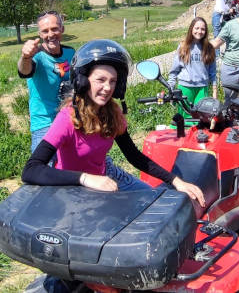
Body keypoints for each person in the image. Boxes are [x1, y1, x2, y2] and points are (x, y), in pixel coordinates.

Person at [21, 39, 206, 201]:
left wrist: (176, 181)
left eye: (113, 81)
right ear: (83, 82)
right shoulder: (68, 118)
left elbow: (134, 156)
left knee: (151, 202)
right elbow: (31, 170)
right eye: (100, 80)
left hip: (105, 174)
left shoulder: (113, 112)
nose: (107, 87)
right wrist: (85, 178)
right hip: (73, 186)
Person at [18, 11, 76, 152]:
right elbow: (24, 71)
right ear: (40, 34)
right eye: (45, 31)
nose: (50, 34)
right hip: (45, 124)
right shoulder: (36, 56)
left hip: (71, 119)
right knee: (42, 170)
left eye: (54, 28)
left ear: (62, 29)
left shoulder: (71, 53)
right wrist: (25, 57)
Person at [167, 17, 217, 121]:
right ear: (191, 29)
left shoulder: (209, 48)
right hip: (185, 87)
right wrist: (171, 88)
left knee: (201, 117)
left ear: (206, 31)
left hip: (202, 87)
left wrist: (214, 90)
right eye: (197, 28)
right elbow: (174, 71)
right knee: (185, 117)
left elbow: (212, 72)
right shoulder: (183, 46)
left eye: (203, 29)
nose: (199, 31)